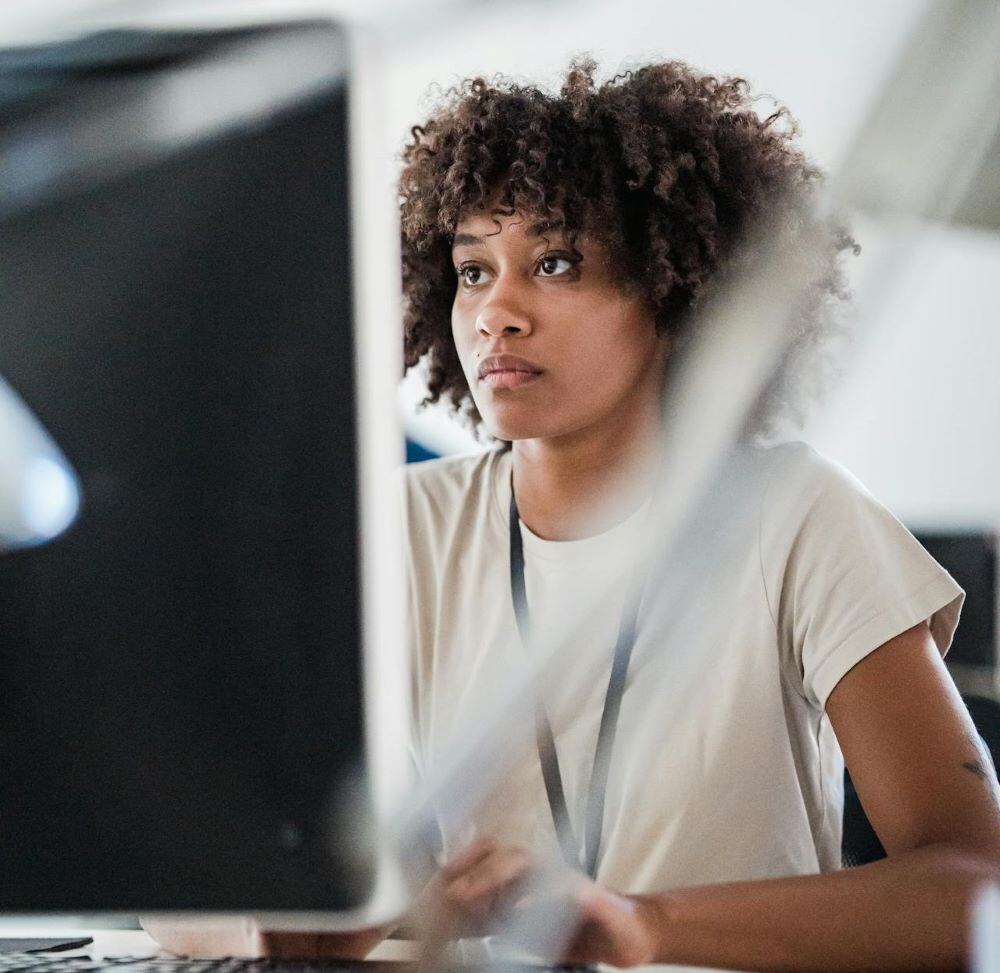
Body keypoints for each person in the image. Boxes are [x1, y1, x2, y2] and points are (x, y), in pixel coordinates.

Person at [148, 59, 1000, 970]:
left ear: (679, 288)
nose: (496, 313)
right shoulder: (397, 531)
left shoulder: (795, 516)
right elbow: (172, 883)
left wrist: (636, 922)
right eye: (473, 270)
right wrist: (291, 923)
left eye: (554, 263)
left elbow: (974, 884)